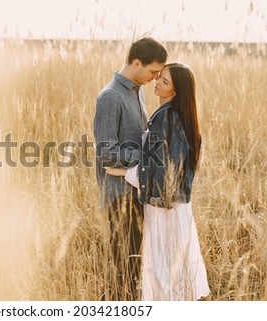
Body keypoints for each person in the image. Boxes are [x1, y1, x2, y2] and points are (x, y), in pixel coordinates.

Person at [105, 62, 210, 300]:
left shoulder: (166, 118)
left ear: (175, 91)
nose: (157, 82)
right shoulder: (179, 115)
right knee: (176, 271)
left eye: (164, 81)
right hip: (177, 207)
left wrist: (123, 172)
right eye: (159, 77)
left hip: (163, 209)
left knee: (164, 273)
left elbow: (161, 170)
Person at [94, 37, 168, 300]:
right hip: (118, 197)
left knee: (132, 268)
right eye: (152, 71)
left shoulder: (135, 91)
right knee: (120, 272)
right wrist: (146, 156)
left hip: (135, 191)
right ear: (137, 62)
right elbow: (106, 153)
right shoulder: (111, 97)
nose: (155, 78)